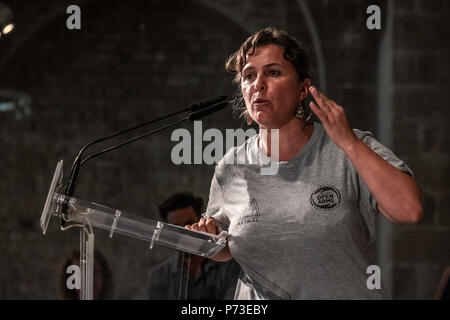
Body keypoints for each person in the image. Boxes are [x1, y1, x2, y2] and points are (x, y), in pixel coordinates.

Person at [186, 27, 424, 299]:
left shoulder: (348, 146)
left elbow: (409, 209)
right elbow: (231, 245)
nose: (258, 84)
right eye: (249, 75)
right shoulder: (230, 167)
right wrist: (210, 238)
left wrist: (349, 144)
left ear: (302, 89)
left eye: (273, 72)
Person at [147, 192, 240, 300]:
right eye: (176, 228)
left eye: (190, 224)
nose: (183, 234)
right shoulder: (160, 275)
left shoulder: (230, 268)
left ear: (201, 223)